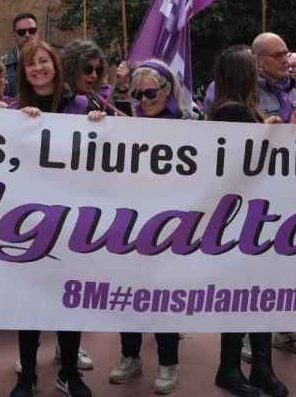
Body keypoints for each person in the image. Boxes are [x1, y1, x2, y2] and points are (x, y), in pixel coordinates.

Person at [11, 40, 100, 397]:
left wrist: (97, 124)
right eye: (31, 65)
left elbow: (103, 148)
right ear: (24, 72)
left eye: (44, 61)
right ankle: (27, 374)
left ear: (55, 65)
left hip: (73, 216)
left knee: (69, 296)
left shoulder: (79, 105)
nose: (38, 69)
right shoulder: (15, 108)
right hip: (29, 219)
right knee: (29, 299)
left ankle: (67, 372)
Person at [204, 45, 287, 397]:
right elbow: (244, 161)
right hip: (240, 218)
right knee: (242, 296)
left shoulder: (241, 109)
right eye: (251, 65)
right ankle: (231, 368)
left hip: (251, 216)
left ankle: (261, 367)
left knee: (257, 295)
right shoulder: (231, 112)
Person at [107, 60, 189, 395]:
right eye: (138, 93)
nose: (144, 99)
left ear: (168, 90)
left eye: (151, 92)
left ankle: (168, 363)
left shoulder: (189, 126)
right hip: (131, 225)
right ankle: (130, 356)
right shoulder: (128, 124)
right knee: (130, 293)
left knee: (165, 297)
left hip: (171, 226)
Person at [248, 33, 296, 360]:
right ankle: (250, 335)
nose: (286, 60)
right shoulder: (245, 92)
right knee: (254, 267)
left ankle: (287, 330)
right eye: (278, 55)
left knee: (290, 266)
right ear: (258, 60)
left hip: (294, 194)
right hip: (255, 195)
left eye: (286, 54)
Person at [2, 13, 39, 98]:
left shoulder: (51, 62)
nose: (27, 35)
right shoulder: (2, 65)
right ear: (14, 35)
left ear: (37, 32)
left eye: (32, 31)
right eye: (21, 32)